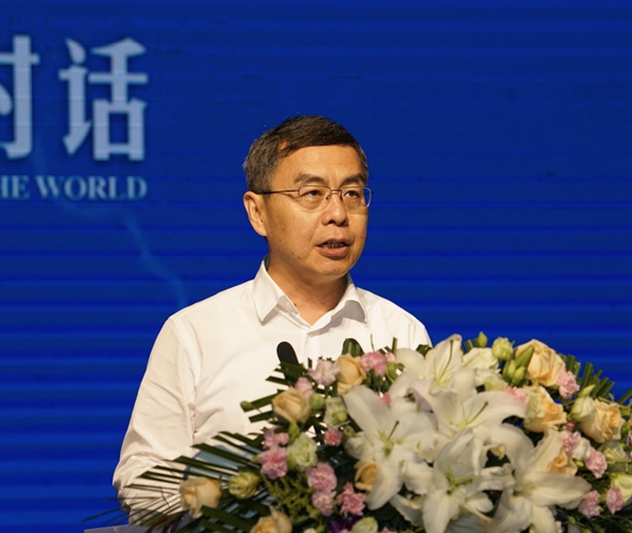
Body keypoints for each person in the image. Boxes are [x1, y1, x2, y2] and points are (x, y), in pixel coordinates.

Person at [112, 115, 430, 515]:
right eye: (312, 193)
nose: (338, 213)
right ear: (257, 212)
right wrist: (234, 505)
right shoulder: (194, 333)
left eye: (352, 193)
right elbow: (142, 481)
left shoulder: (401, 333)